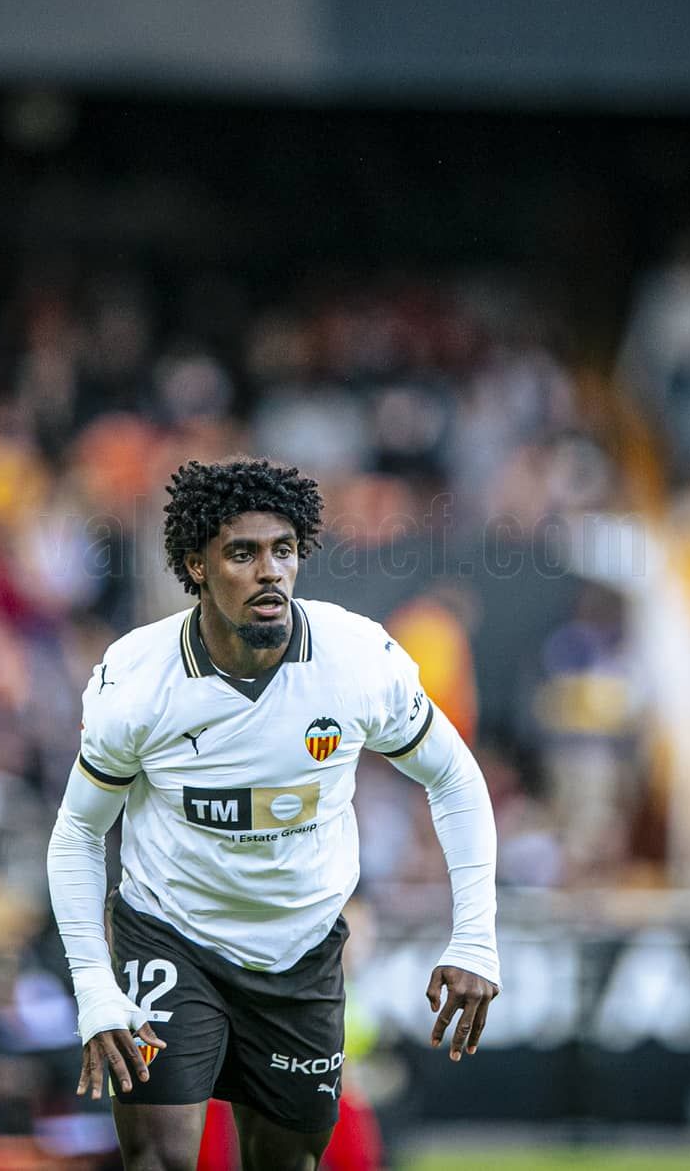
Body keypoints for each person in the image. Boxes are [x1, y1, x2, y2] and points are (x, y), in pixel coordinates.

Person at [46, 458, 501, 1171]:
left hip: (300, 953)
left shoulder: (355, 661)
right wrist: (95, 986)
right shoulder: (136, 680)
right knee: (159, 1158)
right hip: (173, 938)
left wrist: (474, 938)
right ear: (195, 565)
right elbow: (77, 830)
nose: (269, 571)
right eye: (242, 552)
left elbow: (455, 777)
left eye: (282, 550)